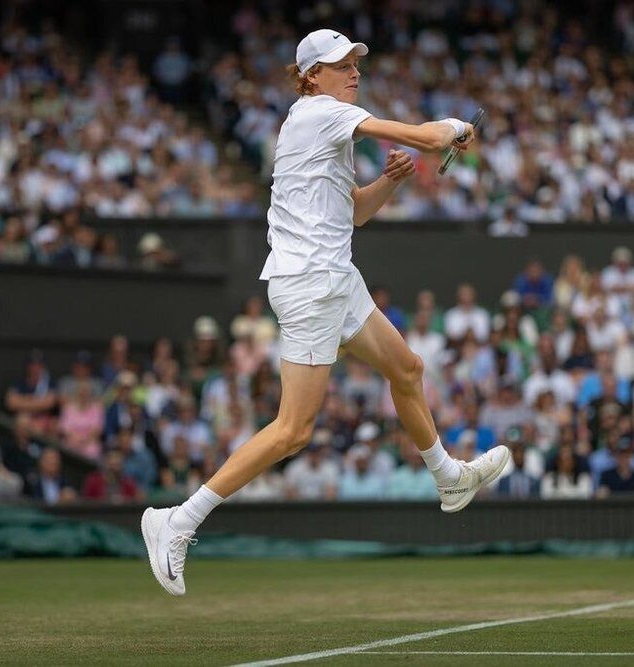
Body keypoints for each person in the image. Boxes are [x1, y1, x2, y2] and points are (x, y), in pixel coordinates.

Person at [141, 29, 509, 596]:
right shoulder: (317, 113)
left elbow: (353, 215)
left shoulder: (325, 131)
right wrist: (455, 130)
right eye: (341, 65)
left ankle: (448, 479)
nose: (354, 71)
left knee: (407, 369)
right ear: (312, 76)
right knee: (294, 431)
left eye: (355, 63)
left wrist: (387, 181)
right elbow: (422, 136)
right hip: (311, 285)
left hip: (337, 278)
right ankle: (178, 520)